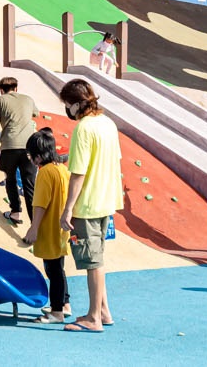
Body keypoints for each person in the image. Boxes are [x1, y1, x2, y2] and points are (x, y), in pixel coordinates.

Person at [58, 79, 122, 333]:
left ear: (74, 105)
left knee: (92, 261)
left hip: (87, 203)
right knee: (98, 256)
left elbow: (78, 173)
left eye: (67, 105)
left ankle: (93, 317)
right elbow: (112, 159)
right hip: (106, 200)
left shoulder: (84, 128)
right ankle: (103, 311)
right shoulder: (108, 123)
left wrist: (68, 208)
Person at [23, 128, 72, 324]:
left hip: (50, 227)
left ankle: (57, 311)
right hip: (61, 227)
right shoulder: (62, 169)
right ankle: (63, 304)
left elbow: (40, 203)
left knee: (53, 270)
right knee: (58, 267)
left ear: (37, 156)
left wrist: (33, 228)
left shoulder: (44, 173)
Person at [0, 77, 39, 226]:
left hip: (9, 147)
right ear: (16, 88)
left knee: (10, 180)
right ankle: (36, 227)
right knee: (30, 185)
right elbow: (36, 114)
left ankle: (15, 213)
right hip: (29, 149)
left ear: (1, 90)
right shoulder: (28, 99)